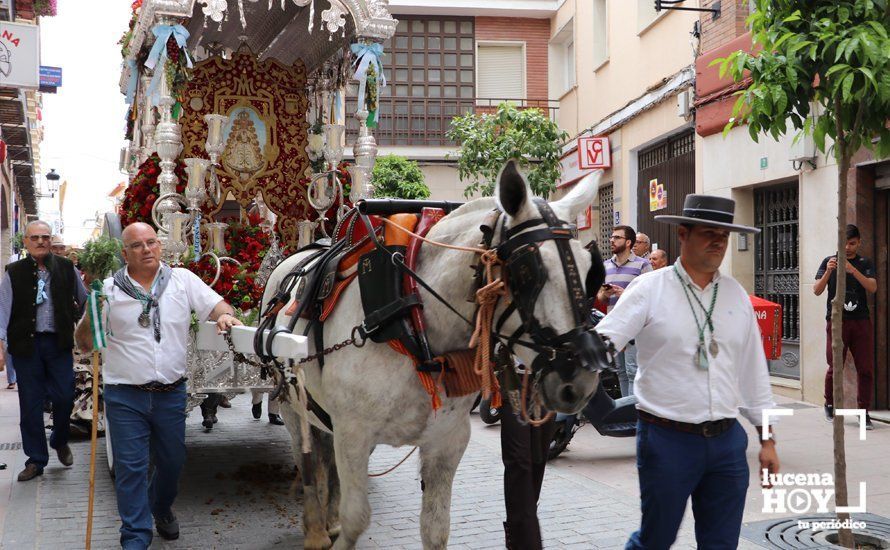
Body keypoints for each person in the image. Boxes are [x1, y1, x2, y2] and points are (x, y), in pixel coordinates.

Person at [595, 195, 779, 549]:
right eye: (709, 233)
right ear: (683, 233)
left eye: (723, 236)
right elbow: (605, 341)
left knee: (721, 544)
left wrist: (767, 439)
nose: (717, 242)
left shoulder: (736, 295)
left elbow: (753, 372)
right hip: (666, 440)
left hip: (727, 444)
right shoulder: (649, 288)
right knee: (656, 540)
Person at [76, 222, 241, 549]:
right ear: (125, 253)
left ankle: (161, 506)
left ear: (160, 246)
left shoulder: (182, 281)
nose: (146, 249)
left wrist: (225, 316)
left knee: (172, 461)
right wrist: (88, 315)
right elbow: (83, 343)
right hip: (125, 396)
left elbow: (218, 305)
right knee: (131, 468)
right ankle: (135, 537)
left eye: (151, 242)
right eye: (137, 245)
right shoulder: (108, 290)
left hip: (170, 393)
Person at [0, 220, 87, 482]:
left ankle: (59, 439)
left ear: (51, 241)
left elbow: (84, 302)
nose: (40, 241)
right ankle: (35, 460)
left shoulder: (66, 267)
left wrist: (84, 331)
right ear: (25, 242)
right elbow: (3, 310)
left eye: (45, 237)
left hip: (58, 344)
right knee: (30, 405)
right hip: (26, 347)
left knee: (64, 396)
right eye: (34, 237)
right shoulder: (12, 272)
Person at [814, 224, 876, 429]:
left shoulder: (864, 262)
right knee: (835, 366)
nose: (847, 247)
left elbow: (872, 287)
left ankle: (863, 412)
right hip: (837, 320)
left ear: (859, 243)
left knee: (865, 368)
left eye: (852, 243)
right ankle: (829, 403)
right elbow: (816, 290)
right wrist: (828, 273)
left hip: (861, 321)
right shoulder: (828, 261)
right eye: (844, 243)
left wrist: (853, 270)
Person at [597, 225, 652, 396]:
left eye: (617, 237)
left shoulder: (643, 265)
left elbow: (650, 296)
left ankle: (634, 416)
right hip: (614, 326)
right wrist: (605, 294)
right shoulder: (606, 265)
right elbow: (600, 298)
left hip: (635, 326)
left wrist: (625, 294)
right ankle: (625, 415)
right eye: (611, 237)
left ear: (628, 242)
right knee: (620, 372)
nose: (611, 240)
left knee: (632, 371)